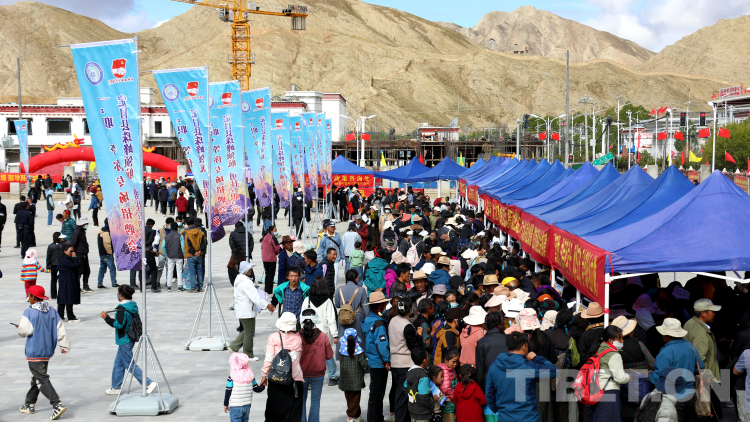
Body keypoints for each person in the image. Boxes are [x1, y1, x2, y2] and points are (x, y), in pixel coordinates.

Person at [16, 285, 70, 420]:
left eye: (29, 296)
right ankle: (29, 404)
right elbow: (60, 329)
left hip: (35, 350)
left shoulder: (29, 312)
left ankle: (57, 404)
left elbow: (24, 331)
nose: (28, 298)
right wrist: (64, 345)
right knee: (38, 376)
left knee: (41, 378)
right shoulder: (52, 311)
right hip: (47, 350)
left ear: (33, 297)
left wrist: (19, 328)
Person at [485, 331, 557, 422]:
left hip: (505, 417)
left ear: (508, 347)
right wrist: (536, 358)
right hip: (528, 418)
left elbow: (489, 394)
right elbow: (553, 371)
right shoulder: (528, 366)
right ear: (524, 346)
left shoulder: (494, 366)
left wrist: (499, 410)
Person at [100, 285, 156, 395]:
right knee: (118, 363)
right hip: (130, 338)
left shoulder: (122, 309)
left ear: (120, 295)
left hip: (124, 339)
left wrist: (107, 318)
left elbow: (119, 325)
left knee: (129, 364)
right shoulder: (132, 306)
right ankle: (116, 387)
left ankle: (148, 383)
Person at [648, 318, 704, 422]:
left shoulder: (666, 352)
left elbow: (660, 376)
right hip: (691, 396)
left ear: (666, 335)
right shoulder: (691, 347)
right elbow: (700, 367)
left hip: (674, 397)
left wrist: (650, 375)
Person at [259, 312, 304, 422]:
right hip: (294, 379)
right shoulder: (298, 339)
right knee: (294, 410)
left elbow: (269, 358)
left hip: (276, 378)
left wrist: (264, 374)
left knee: (274, 410)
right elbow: (297, 358)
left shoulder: (273, 337)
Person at [230, 262, 275, 360]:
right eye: (249, 269)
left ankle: (234, 346)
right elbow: (255, 297)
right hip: (246, 311)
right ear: (245, 270)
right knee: (249, 333)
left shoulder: (240, 280)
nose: (251, 270)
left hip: (242, 310)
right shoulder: (246, 282)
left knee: (247, 331)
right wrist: (267, 305)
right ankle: (248, 354)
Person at [584, 325, 630, 422]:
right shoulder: (614, 355)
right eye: (620, 338)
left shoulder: (598, 351)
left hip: (597, 392)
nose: (622, 341)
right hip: (609, 392)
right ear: (610, 340)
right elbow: (620, 378)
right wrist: (628, 377)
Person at [302, 277, 339, 386]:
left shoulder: (307, 300)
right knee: (328, 355)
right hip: (324, 334)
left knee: (310, 356)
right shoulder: (328, 301)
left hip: (310, 333)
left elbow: (302, 318)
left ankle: (309, 380)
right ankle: (332, 377)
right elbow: (331, 319)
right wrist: (335, 335)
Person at [390, 297, 421, 422]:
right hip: (405, 364)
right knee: (403, 397)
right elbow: (414, 347)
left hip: (395, 363)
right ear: (410, 309)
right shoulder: (407, 326)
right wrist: (419, 336)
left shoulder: (393, 320)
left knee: (399, 394)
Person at [300, 308, 334, 422]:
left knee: (301, 400)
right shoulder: (323, 336)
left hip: (301, 374)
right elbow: (329, 356)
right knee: (315, 401)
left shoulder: (297, 336)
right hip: (318, 374)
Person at [362, 291, 391, 422]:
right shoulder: (379, 324)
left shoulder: (369, 320)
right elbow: (382, 345)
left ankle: (376, 417)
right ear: (381, 306)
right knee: (377, 393)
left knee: (375, 392)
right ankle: (375, 418)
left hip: (372, 361)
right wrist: (387, 360)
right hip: (379, 363)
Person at [335, 269, 370, 362]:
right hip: (357, 319)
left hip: (343, 319)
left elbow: (337, 304)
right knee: (358, 341)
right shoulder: (361, 290)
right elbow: (366, 308)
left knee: (344, 340)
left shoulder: (339, 289)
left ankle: (344, 359)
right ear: (355, 278)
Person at [338, 328, 369, 422]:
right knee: (355, 399)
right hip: (356, 380)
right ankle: (351, 417)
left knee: (349, 399)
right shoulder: (359, 351)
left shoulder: (341, 350)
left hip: (345, 379)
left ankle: (357, 416)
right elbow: (364, 364)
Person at [224, 353, 262, 422]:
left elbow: (228, 391)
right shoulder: (250, 376)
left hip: (235, 406)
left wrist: (225, 404)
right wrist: (263, 385)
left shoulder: (232, 376)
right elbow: (257, 389)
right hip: (247, 406)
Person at [474, 311, 507, 392]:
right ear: (501, 323)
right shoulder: (508, 339)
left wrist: (479, 387)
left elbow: (480, 369)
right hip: (506, 380)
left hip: (488, 382)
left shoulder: (481, 342)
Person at [404, 347, 434, 422]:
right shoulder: (423, 376)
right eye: (427, 356)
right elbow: (423, 396)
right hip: (423, 413)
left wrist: (414, 398)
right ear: (424, 360)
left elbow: (405, 387)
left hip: (413, 410)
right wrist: (432, 404)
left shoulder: (409, 372)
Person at [57, 245, 80, 323]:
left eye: (73, 251)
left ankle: (60, 316)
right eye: (70, 251)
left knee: (63, 299)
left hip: (65, 281)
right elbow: (75, 265)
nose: (72, 252)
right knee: (68, 299)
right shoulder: (65, 260)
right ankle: (71, 317)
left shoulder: (65, 258)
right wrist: (75, 257)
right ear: (64, 251)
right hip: (67, 281)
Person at [184, 218, 207, 293]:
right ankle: (200, 287)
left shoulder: (187, 233)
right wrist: (199, 251)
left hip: (191, 255)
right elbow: (203, 243)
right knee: (200, 271)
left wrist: (194, 252)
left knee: (192, 272)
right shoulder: (201, 232)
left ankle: (193, 288)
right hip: (199, 255)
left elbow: (188, 245)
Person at [70, 216, 93, 293]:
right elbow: (73, 243)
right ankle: (76, 287)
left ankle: (85, 286)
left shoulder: (82, 231)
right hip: (80, 254)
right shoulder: (77, 232)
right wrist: (74, 254)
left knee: (87, 270)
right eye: (86, 223)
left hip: (84, 253)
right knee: (79, 271)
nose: (87, 225)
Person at [317, 220, 343, 287]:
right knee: (327, 275)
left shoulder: (338, 236)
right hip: (327, 260)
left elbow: (341, 246)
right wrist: (320, 259)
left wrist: (340, 256)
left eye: (334, 227)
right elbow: (320, 248)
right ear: (327, 227)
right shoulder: (324, 237)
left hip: (336, 259)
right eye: (331, 227)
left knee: (335, 275)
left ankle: (334, 288)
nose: (333, 228)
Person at [437, 348, 459, 422]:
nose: (455, 364)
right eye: (453, 362)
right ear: (446, 360)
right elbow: (446, 388)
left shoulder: (452, 369)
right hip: (448, 403)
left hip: (452, 402)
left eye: (457, 362)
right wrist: (455, 396)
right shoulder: (444, 371)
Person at [161, 222, 184, 291]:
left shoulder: (166, 236)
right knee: (179, 271)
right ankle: (180, 286)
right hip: (179, 255)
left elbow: (163, 246)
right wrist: (183, 254)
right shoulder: (180, 236)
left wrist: (167, 254)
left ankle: (169, 286)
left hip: (170, 256)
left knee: (170, 271)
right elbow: (183, 247)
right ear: (177, 228)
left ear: (170, 228)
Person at [97, 219, 118, 289]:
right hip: (107, 254)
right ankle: (114, 283)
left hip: (102, 254)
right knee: (112, 269)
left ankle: (99, 283)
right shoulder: (106, 233)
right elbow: (107, 244)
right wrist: (110, 252)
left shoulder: (101, 231)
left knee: (102, 269)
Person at [261, 225, 280, 295]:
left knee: (267, 274)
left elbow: (262, 247)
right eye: (275, 230)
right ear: (271, 231)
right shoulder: (273, 238)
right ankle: (269, 290)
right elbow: (277, 248)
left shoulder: (264, 237)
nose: (276, 231)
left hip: (265, 258)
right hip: (271, 259)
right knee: (271, 275)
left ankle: (266, 289)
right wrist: (277, 252)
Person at [46, 232, 65, 300]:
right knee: (62, 280)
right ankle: (62, 293)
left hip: (53, 265)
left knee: (53, 280)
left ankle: (53, 295)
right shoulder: (63, 245)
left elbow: (48, 257)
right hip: (61, 264)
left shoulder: (50, 246)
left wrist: (48, 266)